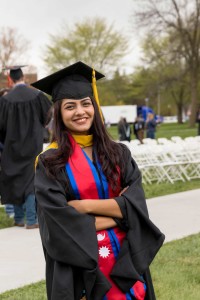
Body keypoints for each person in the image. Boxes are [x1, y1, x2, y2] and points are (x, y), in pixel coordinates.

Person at [33, 61, 165, 300]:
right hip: (81, 268)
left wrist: (84, 207)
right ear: (59, 114)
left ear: (94, 106)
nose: (80, 112)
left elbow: (138, 207)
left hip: (126, 258)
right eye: (70, 107)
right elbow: (58, 225)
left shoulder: (119, 153)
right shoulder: (49, 162)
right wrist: (121, 214)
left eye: (86, 104)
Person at [0, 65, 52, 229]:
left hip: (12, 146)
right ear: (24, 77)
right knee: (31, 179)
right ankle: (31, 219)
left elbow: (0, 126)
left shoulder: (5, 100)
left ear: (11, 79)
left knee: (15, 178)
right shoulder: (37, 95)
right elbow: (49, 116)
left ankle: (19, 218)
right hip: (33, 144)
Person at [0, 88, 15, 218]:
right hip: (5, 153)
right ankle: (10, 212)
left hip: (13, 151)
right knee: (7, 182)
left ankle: (14, 213)